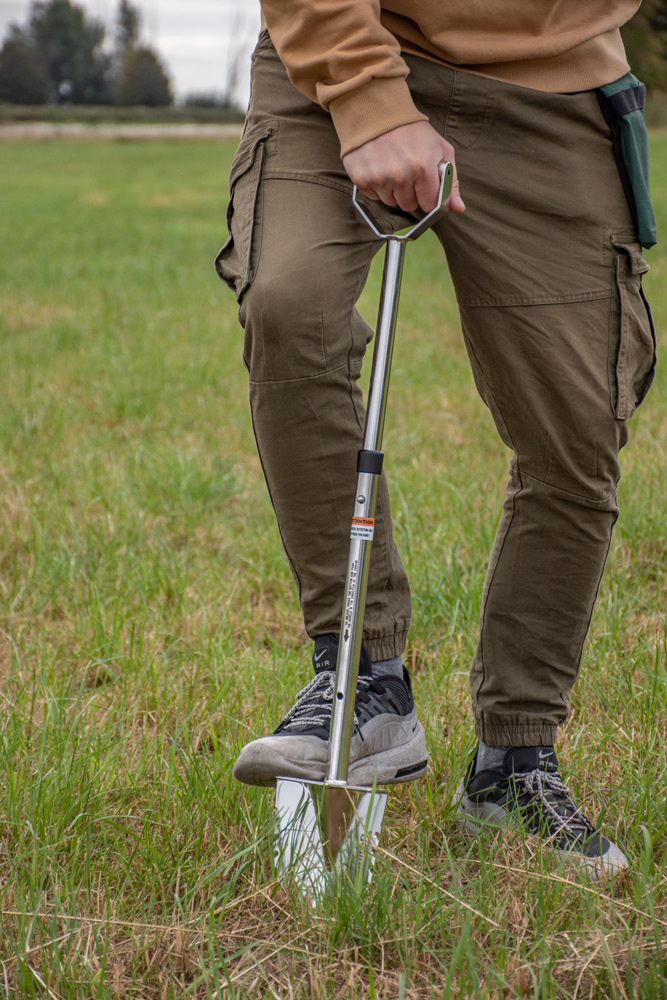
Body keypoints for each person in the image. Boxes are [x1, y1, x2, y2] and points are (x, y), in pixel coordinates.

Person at [216, 2, 656, 877]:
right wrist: (370, 98)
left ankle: (512, 768)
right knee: (290, 304)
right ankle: (363, 681)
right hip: (341, 58)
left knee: (574, 430)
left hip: (555, 88)